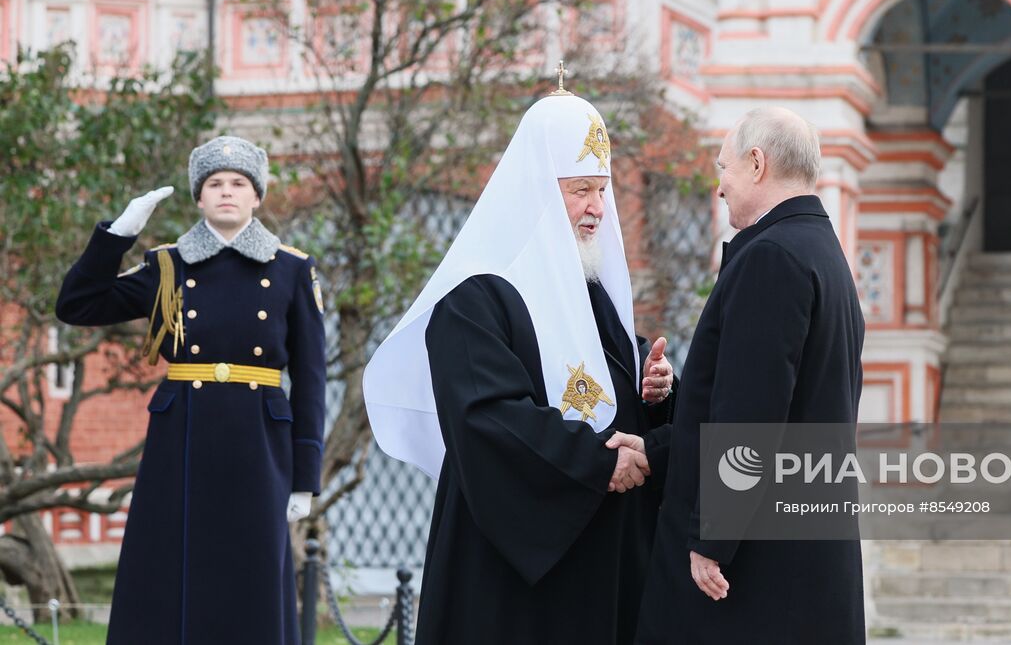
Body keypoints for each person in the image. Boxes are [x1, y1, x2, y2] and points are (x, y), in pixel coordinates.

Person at [363, 85, 675, 644]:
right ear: (537, 192)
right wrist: (594, 462)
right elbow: (488, 419)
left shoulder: (591, 293)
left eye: (602, 192)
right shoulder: (471, 301)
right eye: (582, 190)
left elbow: (612, 391)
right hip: (513, 583)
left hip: (603, 562)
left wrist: (656, 393)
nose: (598, 210)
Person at [54, 135, 326, 645]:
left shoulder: (292, 268)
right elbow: (77, 305)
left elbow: (311, 378)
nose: (227, 192)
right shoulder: (167, 265)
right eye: (215, 184)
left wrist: (305, 476)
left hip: (260, 441)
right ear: (199, 198)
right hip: (182, 435)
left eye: (239, 183)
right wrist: (117, 235)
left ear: (257, 197)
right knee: (170, 568)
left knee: (253, 574)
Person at [631, 107, 866, 644]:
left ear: (757, 164)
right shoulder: (823, 252)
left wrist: (713, 539)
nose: (719, 188)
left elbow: (750, 416)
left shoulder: (772, 257)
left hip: (758, 565)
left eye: (724, 169)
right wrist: (658, 446)